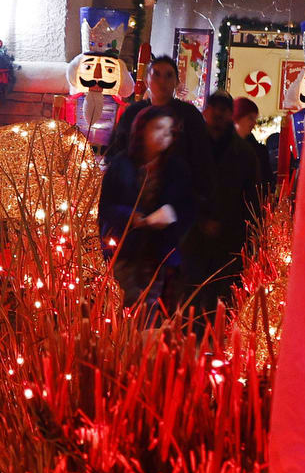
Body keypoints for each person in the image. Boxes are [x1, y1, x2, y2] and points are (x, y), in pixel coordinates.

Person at [97, 56, 205, 256]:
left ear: (176, 82)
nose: (162, 81)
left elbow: (201, 157)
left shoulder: (189, 116)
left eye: (168, 76)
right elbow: (116, 149)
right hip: (131, 201)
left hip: (173, 196)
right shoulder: (132, 113)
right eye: (156, 75)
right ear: (147, 79)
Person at [177, 94, 270, 312]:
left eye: (223, 109)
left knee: (220, 302)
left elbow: (252, 199)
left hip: (229, 241)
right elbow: (179, 189)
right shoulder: (189, 147)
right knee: (190, 299)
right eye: (213, 108)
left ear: (231, 115)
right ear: (205, 111)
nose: (218, 114)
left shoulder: (246, 154)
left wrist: (252, 236)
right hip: (191, 238)